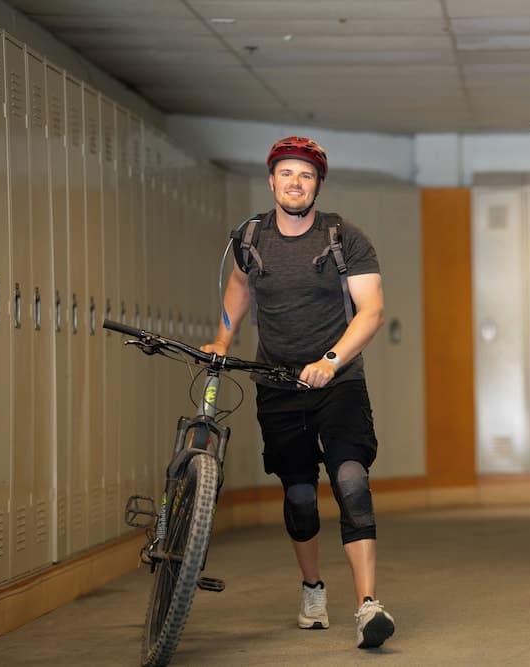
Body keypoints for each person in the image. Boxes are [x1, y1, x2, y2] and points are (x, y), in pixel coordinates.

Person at [201, 136, 395, 649]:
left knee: (351, 480)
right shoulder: (251, 238)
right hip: (278, 385)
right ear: (271, 181)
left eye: (306, 175)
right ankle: (312, 589)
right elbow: (239, 286)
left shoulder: (344, 237)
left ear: (317, 185)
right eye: (286, 173)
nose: (295, 182)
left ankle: (368, 605)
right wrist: (223, 339)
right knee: (300, 495)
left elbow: (372, 311)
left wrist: (331, 361)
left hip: (338, 382)